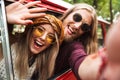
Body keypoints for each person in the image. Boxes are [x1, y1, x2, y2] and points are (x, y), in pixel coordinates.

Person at [0, 14, 64, 80]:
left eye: (50, 37)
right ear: (31, 30)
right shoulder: (8, 46)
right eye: (40, 30)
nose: (43, 38)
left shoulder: (40, 63)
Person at [54, 3, 98, 79]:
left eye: (84, 27)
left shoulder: (74, 47)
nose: (77, 26)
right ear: (67, 13)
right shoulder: (46, 28)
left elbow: (80, 60)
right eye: (77, 18)